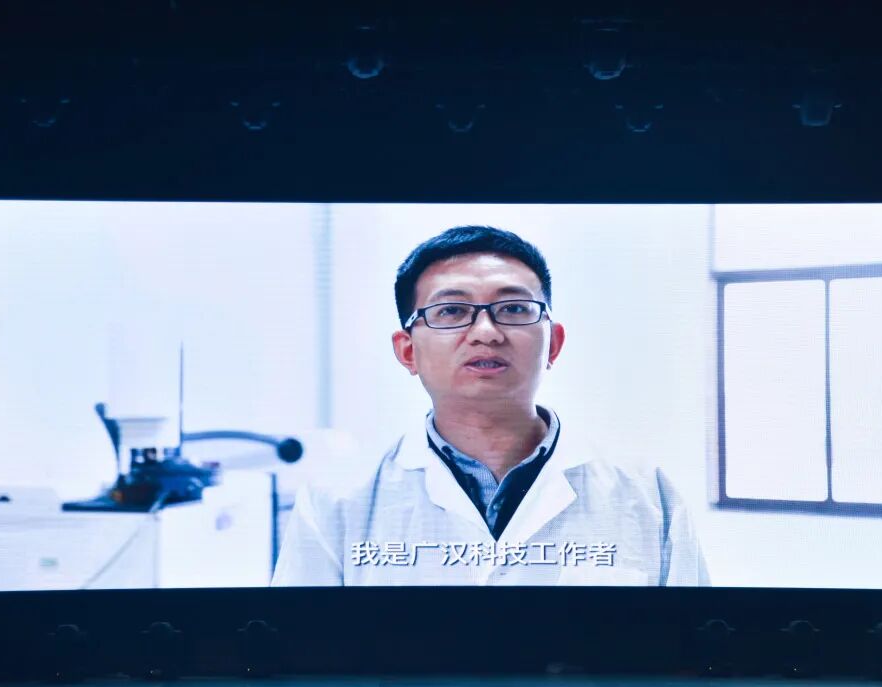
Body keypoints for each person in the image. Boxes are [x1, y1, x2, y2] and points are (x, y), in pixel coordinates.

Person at [272, 225, 708, 586]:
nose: (486, 332)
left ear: (553, 344)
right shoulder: (336, 502)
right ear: (407, 351)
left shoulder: (646, 494)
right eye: (451, 311)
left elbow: (691, 650)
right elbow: (299, 651)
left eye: (514, 308)